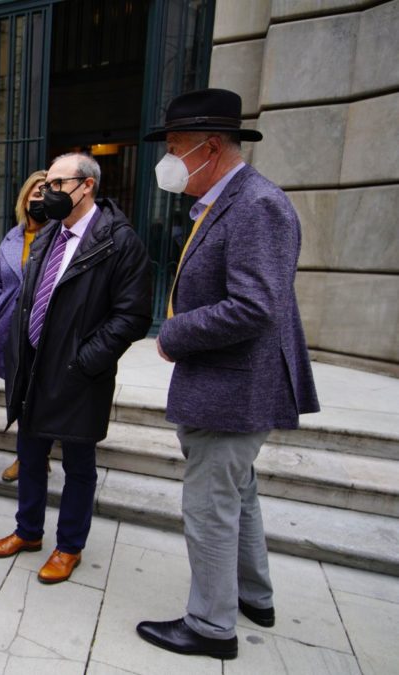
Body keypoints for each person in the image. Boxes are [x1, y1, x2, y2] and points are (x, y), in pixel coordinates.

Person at [135, 89, 319, 660]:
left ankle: (211, 627)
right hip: (230, 383)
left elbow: (255, 305)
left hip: (234, 386)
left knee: (211, 504)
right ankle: (253, 595)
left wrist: (174, 334)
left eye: (174, 147)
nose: (167, 161)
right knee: (238, 492)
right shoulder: (226, 202)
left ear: (209, 148)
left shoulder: (256, 204)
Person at [0, 154, 152, 584]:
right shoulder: (47, 237)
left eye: (58, 183)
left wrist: (84, 360)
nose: (48, 192)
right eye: (48, 184)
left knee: (78, 463)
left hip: (80, 373)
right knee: (30, 455)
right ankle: (28, 531)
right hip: (35, 367)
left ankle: (69, 545)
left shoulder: (119, 240)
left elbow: (131, 316)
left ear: (87, 185)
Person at [0, 170, 50, 482]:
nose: (40, 200)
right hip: (10, 330)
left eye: (47, 193)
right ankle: (28, 456)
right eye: (35, 194)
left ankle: (34, 457)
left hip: (44, 333)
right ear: (25, 199)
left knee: (38, 398)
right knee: (19, 398)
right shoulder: (11, 237)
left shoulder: (60, 237)